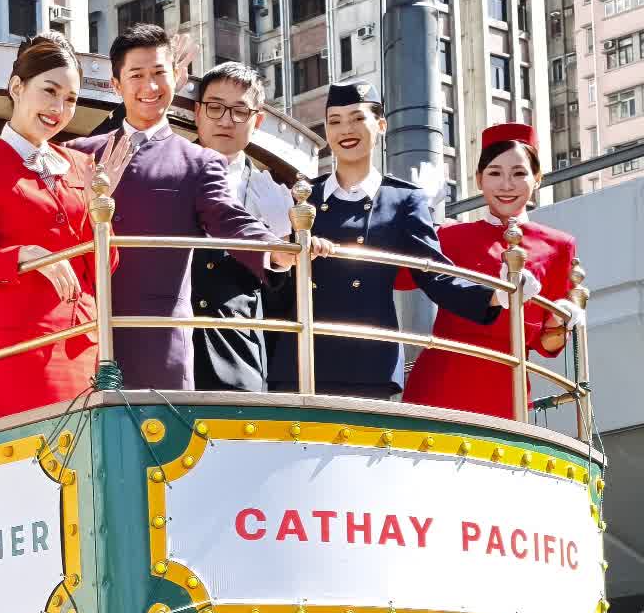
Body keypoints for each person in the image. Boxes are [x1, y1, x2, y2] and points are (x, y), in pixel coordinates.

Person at [0, 25, 288, 391]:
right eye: (137, 75)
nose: (150, 87)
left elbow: (231, 221)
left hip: (154, 344)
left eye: (160, 74)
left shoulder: (197, 162)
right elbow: (3, 187)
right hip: (69, 339)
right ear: (116, 85)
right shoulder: (78, 153)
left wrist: (276, 252)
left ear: (176, 78)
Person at [266, 83, 520, 399]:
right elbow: (273, 271)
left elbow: (433, 273)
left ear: (381, 125)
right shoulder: (303, 195)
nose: (346, 129)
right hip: (301, 353)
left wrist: (497, 295)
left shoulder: (403, 199)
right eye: (335, 121)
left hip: (368, 358)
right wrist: (295, 252)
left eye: (358, 118)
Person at [0, 32, 116, 417]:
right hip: (26, 346)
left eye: (70, 98)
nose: (60, 108)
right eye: (49, 91)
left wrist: (103, 210)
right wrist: (26, 256)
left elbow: (104, 265)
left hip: (88, 341)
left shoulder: (82, 164)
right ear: (17, 87)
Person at [400, 123, 580, 419]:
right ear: (479, 179)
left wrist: (562, 319)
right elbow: (401, 278)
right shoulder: (449, 234)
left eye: (519, 173)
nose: (506, 185)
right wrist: (420, 217)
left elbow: (547, 344)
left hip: (506, 391)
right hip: (438, 385)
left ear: (537, 179)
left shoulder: (559, 246)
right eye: (495, 173)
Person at [187, 63, 297, 393]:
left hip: (239, 354)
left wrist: (283, 250)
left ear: (257, 120)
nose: (225, 120)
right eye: (215, 107)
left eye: (239, 111)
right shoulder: (165, 169)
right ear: (197, 112)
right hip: (167, 344)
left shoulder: (275, 193)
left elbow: (281, 300)